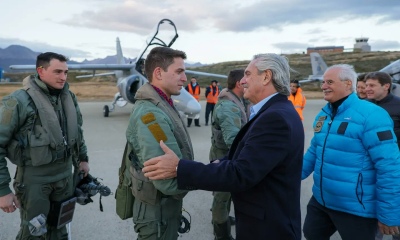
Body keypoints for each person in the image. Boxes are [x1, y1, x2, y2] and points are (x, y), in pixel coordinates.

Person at [142, 53, 305, 240]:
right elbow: (251, 157)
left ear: (266, 76)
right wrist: (222, 162)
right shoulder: (277, 111)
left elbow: (241, 174)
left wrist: (179, 167)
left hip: (267, 229)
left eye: (248, 74)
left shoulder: (275, 118)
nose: (242, 81)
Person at [302, 64, 400, 240]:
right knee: (311, 234)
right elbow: (314, 151)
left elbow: (389, 166)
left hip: (356, 208)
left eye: (329, 82)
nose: (323, 86)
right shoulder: (324, 115)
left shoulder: (372, 115)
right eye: (323, 82)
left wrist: (389, 213)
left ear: (348, 84)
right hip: (321, 200)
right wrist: (290, 176)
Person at [0, 52, 90, 239]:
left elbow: (77, 131)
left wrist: (82, 159)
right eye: (57, 72)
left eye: (65, 72)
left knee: (59, 230)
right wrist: (3, 190)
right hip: (35, 182)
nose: (63, 77)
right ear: (40, 71)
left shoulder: (69, 98)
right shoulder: (18, 101)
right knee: (34, 232)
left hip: (64, 178)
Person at [125, 46, 194, 240]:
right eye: (179, 71)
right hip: (157, 216)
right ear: (158, 73)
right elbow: (168, 182)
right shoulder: (151, 114)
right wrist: (203, 176)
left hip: (162, 210)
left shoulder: (163, 104)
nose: (185, 78)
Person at [210, 69, 247, 240]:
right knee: (222, 197)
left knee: (228, 193)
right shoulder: (228, 106)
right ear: (239, 83)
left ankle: (223, 217)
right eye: (247, 79)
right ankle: (221, 233)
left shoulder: (239, 100)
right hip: (224, 157)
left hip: (230, 157)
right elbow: (233, 140)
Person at [365, 72, 400, 240]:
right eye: (366, 85)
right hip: (370, 168)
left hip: (393, 168)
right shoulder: (364, 106)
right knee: (372, 216)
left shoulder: (398, 106)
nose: (367, 89)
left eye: (372, 85)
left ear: (386, 86)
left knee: (394, 212)